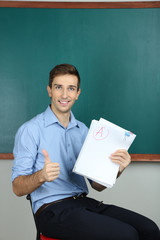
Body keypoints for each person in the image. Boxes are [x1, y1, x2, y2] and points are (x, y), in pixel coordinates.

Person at [12, 63, 160, 240]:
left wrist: (117, 170)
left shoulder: (84, 131)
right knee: (126, 235)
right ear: (49, 90)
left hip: (84, 204)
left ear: (77, 93)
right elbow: (17, 188)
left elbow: (97, 186)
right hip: (52, 210)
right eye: (59, 87)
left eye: (71, 88)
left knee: (149, 229)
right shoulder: (30, 130)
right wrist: (41, 176)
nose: (65, 95)